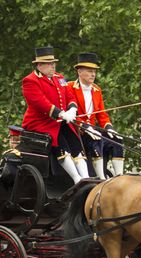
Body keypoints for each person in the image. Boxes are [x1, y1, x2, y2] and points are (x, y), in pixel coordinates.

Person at [22, 46, 88, 184]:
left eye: (54, 63)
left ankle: (86, 178)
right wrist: (61, 114)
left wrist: (72, 109)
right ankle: (77, 178)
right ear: (40, 65)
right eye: (49, 64)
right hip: (41, 123)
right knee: (60, 142)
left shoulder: (60, 78)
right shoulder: (30, 81)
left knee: (76, 143)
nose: (53, 66)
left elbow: (70, 96)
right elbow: (41, 103)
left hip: (61, 120)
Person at [67, 52, 124, 178]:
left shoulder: (97, 89)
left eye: (94, 71)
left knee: (117, 140)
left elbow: (102, 114)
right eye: (89, 71)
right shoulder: (70, 87)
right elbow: (72, 113)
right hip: (78, 131)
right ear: (79, 71)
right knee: (95, 138)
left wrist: (109, 128)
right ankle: (100, 177)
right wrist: (85, 127)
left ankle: (120, 176)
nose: (93, 74)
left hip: (93, 130)